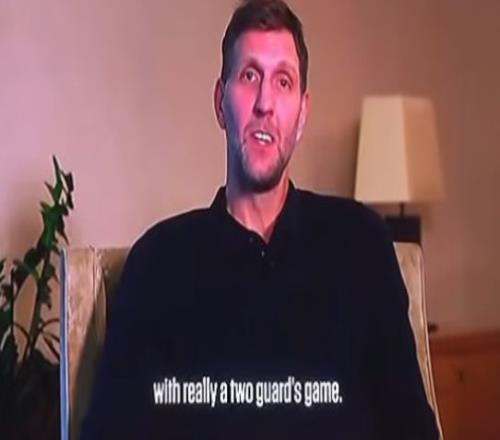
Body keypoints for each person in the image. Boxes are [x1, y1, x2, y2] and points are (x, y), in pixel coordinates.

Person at [80, 1, 439, 438]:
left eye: (283, 81)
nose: (265, 103)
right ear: (220, 102)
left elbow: (411, 427)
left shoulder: (360, 245)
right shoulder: (158, 264)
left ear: (302, 114)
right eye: (250, 76)